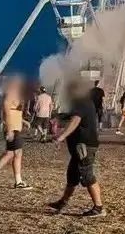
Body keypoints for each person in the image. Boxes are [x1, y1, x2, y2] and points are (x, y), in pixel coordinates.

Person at [47, 78, 106, 218]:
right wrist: (58, 117)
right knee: (72, 175)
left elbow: (75, 120)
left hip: (84, 146)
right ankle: (62, 202)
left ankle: (99, 208)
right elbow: (71, 115)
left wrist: (61, 137)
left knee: (87, 175)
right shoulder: (83, 103)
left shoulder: (81, 102)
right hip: (80, 147)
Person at [0, 76, 31, 189]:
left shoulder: (16, 93)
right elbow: (6, 109)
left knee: (9, 153)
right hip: (12, 128)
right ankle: (18, 181)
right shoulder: (11, 92)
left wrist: (23, 121)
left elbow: (13, 110)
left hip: (15, 127)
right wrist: (10, 129)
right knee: (17, 153)